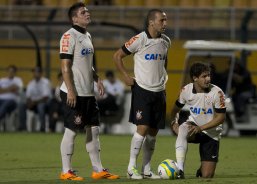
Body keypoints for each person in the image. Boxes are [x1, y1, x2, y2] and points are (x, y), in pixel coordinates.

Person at [58, 2, 119, 181]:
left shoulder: (87, 35)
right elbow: (65, 66)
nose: (87, 13)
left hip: (87, 92)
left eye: (87, 11)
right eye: (83, 12)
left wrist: (97, 78)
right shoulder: (68, 36)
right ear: (74, 18)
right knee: (72, 130)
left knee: (93, 129)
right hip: (74, 92)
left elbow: (86, 65)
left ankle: (98, 169)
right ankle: (66, 171)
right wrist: (70, 91)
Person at [113, 9, 170, 179]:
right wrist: (125, 76)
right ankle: (131, 168)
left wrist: (162, 77)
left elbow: (164, 61)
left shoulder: (166, 41)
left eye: (165, 20)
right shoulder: (140, 39)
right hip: (142, 90)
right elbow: (117, 56)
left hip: (159, 91)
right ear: (151, 22)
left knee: (153, 133)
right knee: (142, 128)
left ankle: (146, 169)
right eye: (162, 20)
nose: (165, 24)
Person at [170, 62, 226, 179]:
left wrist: (201, 128)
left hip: (211, 133)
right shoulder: (186, 90)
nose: (208, 79)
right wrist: (174, 123)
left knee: (207, 175)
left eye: (209, 75)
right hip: (194, 127)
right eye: (204, 76)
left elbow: (221, 118)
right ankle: (180, 170)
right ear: (195, 78)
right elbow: (175, 110)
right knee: (183, 129)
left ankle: (202, 168)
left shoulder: (217, 92)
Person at [19, 67, 52, 132]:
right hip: (33, 103)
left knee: (41, 106)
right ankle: (23, 128)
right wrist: (29, 103)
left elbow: (46, 97)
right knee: (21, 105)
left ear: (40, 73)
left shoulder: (45, 82)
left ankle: (42, 128)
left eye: (37, 72)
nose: (35, 74)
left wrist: (34, 102)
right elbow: (28, 96)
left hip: (45, 103)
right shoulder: (31, 83)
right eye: (34, 72)